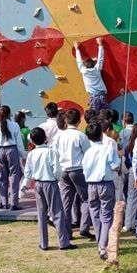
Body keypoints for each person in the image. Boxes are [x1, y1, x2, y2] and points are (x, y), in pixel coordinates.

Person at [24, 127, 77, 251]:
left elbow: (27, 172)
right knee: (57, 212)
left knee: (41, 213)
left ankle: (43, 243)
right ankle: (63, 242)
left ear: (32, 141)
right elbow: (57, 170)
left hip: (38, 184)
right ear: (46, 138)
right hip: (50, 183)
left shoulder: (31, 154)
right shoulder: (51, 152)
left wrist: (26, 185)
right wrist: (57, 179)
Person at [81, 122, 121, 260]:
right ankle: (103, 246)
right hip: (105, 184)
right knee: (106, 216)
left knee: (95, 215)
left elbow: (84, 170)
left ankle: (100, 243)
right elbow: (115, 165)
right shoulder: (107, 148)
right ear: (101, 134)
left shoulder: (87, 152)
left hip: (91, 185)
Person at [53, 109, 94, 239]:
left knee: (66, 202)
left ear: (65, 120)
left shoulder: (59, 136)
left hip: (63, 170)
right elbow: (88, 154)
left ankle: (66, 231)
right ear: (79, 120)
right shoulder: (81, 136)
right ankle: (84, 227)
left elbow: (55, 154)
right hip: (77, 169)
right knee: (87, 199)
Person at [0, 105, 27, 210]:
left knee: (2, 177)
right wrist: (23, 155)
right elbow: (19, 143)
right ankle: (14, 203)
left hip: (1, 150)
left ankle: (4, 202)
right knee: (14, 177)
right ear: (9, 113)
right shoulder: (15, 125)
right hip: (12, 150)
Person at [74, 37, 108, 112]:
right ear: (94, 64)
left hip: (93, 96)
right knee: (104, 114)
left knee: (94, 115)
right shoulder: (97, 69)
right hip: (102, 95)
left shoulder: (83, 71)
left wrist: (77, 49)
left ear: (85, 66)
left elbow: (79, 61)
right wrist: (100, 44)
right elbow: (100, 58)